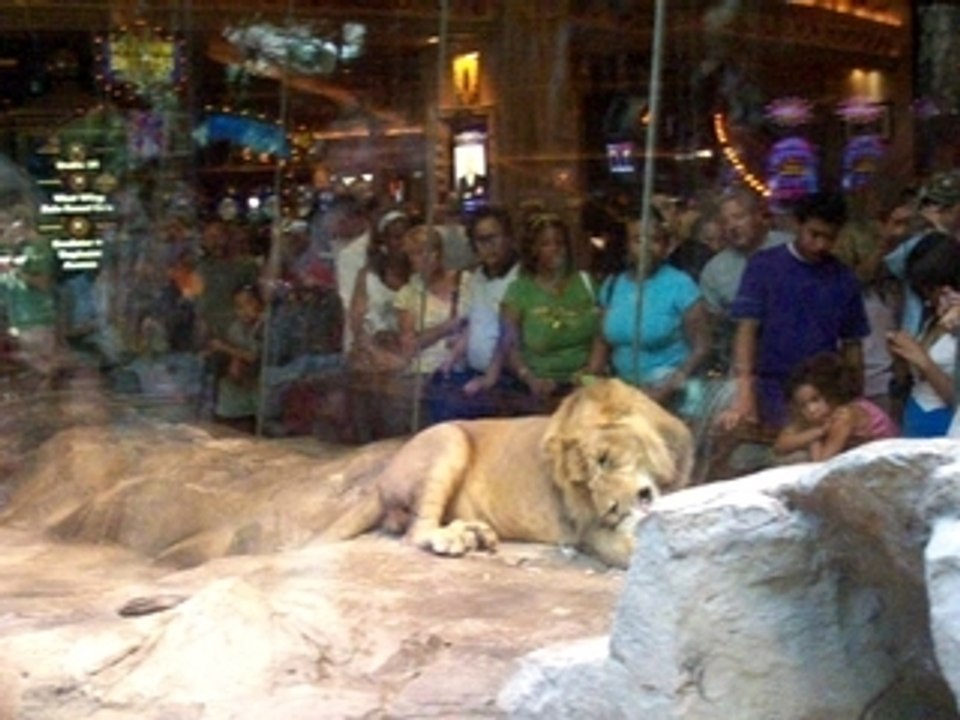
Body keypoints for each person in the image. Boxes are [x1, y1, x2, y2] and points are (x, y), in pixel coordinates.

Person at [718, 191, 869, 433]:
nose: (820, 245)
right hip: (770, 389)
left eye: (830, 238)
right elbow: (746, 330)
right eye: (814, 234)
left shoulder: (845, 279)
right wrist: (744, 391)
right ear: (797, 225)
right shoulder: (764, 266)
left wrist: (856, 401)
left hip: (824, 396)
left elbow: (853, 345)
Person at [588, 212, 711, 419]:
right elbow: (602, 341)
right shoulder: (613, 285)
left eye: (654, 240)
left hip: (672, 397)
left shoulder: (681, 286)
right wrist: (590, 383)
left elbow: (702, 347)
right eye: (637, 239)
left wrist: (668, 387)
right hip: (624, 395)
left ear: (666, 247)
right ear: (628, 245)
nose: (645, 247)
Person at [427, 205, 520, 421]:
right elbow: (475, 323)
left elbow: (510, 337)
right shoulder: (477, 277)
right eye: (480, 240)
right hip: (474, 371)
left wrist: (491, 376)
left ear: (509, 238)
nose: (488, 247)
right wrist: (451, 359)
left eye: (493, 238)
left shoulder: (522, 279)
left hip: (508, 378)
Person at [501, 212, 600, 410]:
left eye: (560, 243)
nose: (555, 249)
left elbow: (601, 337)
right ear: (534, 250)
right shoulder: (519, 290)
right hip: (538, 389)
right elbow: (509, 346)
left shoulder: (586, 283)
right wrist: (530, 379)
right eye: (546, 244)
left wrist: (588, 376)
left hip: (585, 383)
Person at [886, 232, 960, 438]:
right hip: (915, 417)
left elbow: (956, 399)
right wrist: (901, 358)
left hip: (946, 426)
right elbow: (913, 379)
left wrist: (923, 360)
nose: (927, 300)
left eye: (932, 290)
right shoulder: (930, 320)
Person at [773, 351, 897, 464]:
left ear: (831, 393)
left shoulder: (845, 415)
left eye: (815, 400)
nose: (811, 409)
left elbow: (821, 464)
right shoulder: (817, 420)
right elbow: (780, 446)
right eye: (803, 405)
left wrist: (815, 439)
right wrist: (816, 433)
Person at [207, 284, 265, 433]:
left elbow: (254, 356)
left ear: (259, 304)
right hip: (233, 398)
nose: (244, 311)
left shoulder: (265, 326)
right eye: (239, 306)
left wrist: (225, 349)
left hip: (257, 394)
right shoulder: (236, 327)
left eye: (249, 304)